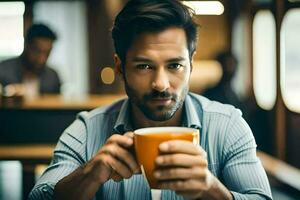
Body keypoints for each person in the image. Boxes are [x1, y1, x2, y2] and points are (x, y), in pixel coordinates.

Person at [29, 0, 272, 199]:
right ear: (120, 67)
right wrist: (89, 175)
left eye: (175, 65)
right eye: (144, 66)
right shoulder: (87, 130)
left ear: (191, 63)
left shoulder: (227, 126)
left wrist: (211, 189)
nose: (161, 84)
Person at [0, 23, 61, 96]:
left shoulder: (52, 77)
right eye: (37, 52)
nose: (42, 59)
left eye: (47, 53)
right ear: (26, 45)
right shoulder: (3, 71)